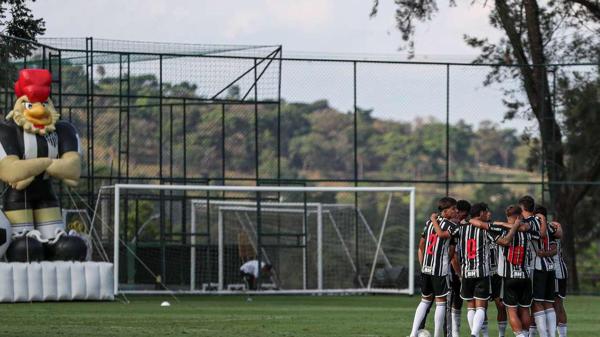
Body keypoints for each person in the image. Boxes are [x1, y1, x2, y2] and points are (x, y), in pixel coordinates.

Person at [409, 197, 458, 337]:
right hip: (439, 270)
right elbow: (442, 235)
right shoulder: (453, 226)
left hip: (427, 268)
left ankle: (413, 334)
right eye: (453, 209)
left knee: (425, 301)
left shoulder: (428, 223)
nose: (456, 211)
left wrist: (423, 264)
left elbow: (421, 245)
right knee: (441, 302)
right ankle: (436, 335)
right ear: (445, 210)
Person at [491, 205, 533, 337]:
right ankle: (525, 335)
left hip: (509, 276)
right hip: (525, 276)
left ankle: (520, 335)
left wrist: (507, 224)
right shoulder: (527, 232)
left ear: (507, 217)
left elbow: (500, 234)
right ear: (519, 216)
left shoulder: (501, 231)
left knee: (512, 310)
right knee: (525, 310)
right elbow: (526, 227)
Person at [455, 202, 495, 337]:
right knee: (481, 307)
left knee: (470, 306)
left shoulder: (461, 228)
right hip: (481, 271)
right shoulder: (485, 229)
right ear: (481, 213)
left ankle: (475, 334)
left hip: (466, 271)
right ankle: (474, 334)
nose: (488, 214)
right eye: (486, 211)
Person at [535, 205, 568, 337]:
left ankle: (560, 335)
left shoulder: (550, 227)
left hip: (556, 271)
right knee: (544, 304)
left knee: (556, 304)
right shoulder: (548, 227)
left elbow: (559, 233)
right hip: (547, 271)